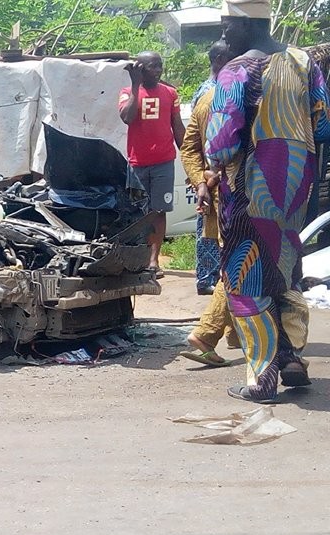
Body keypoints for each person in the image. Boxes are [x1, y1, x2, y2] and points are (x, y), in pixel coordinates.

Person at [205, 0, 330, 402]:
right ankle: (293, 358)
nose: (223, 35)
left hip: (251, 185)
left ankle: (262, 379)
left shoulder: (237, 70)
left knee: (245, 278)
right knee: (286, 270)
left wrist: (217, 163)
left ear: (242, 25)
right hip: (297, 185)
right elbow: (324, 124)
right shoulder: (304, 62)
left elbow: (221, 145)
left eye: (226, 27)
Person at [180, 41, 242, 367]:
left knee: (231, 260)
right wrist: (207, 180)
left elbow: (188, 149)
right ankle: (207, 333)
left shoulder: (205, 99)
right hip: (237, 195)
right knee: (238, 264)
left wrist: (200, 182)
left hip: (217, 193)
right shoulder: (236, 99)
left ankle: (236, 332)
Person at [118, 51, 186, 278]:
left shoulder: (170, 93)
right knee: (137, 212)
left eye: (160, 66)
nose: (158, 71)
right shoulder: (127, 93)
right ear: (140, 68)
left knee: (159, 210)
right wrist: (136, 86)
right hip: (137, 164)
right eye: (152, 66)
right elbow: (128, 117)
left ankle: (153, 261)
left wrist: (190, 157)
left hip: (163, 163)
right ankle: (137, 259)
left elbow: (177, 127)